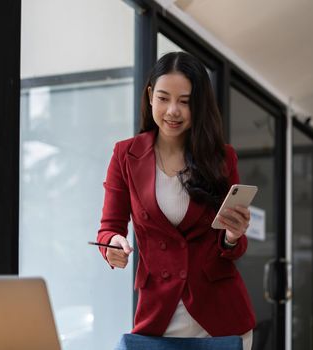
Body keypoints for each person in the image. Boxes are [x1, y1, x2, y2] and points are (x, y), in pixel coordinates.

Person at [97, 52, 256, 350]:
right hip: (159, 318)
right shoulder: (125, 156)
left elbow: (233, 248)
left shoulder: (221, 158)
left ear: (199, 105)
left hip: (221, 320)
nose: (173, 110)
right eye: (163, 98)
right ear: (150, 96)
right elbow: (109, 228)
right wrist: (112, 246)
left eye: (185, 101)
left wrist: (233, 236)